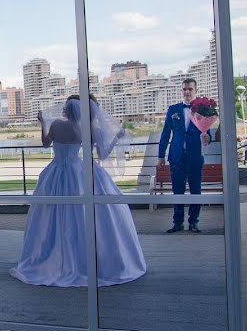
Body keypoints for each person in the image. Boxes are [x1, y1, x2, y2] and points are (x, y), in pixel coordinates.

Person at [9, 95, 147, 287]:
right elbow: (103, 154)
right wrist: (116, 137)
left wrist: (43, 124)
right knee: (85, 213)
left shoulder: (56, 124)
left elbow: (45, 144)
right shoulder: (88, 129)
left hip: (55, 172)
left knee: (52, 215)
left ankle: (51, 255)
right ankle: (85, 258)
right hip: (78, 172)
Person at [158, 78, 213, 234]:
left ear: (195, 90)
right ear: (181, 91)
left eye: (190, 89)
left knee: (196, 191)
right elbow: (165, 134)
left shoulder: (203, 110)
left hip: (195, 156)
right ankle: (177, 222)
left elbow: (207, 134)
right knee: (177, 191)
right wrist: (161, 155)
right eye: (184, 89)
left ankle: (193, 222)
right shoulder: (173, 109)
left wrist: (206, 138)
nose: (187, 92)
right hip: (176, 157)